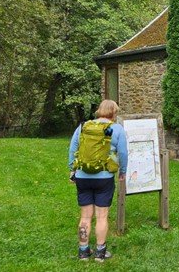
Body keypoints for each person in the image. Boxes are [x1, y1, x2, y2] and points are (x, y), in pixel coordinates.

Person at [68, 100, 128, 262]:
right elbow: (123, 153)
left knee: (85, 216)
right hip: (104, 178)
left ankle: (83, 251)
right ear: (113, 113)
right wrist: (122, 171)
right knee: (102, 216)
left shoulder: (83, 126)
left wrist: (73, 170)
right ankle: (100, 253)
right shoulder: (116, 129)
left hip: (82, 176)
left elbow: (73, 149)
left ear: (99, 111)